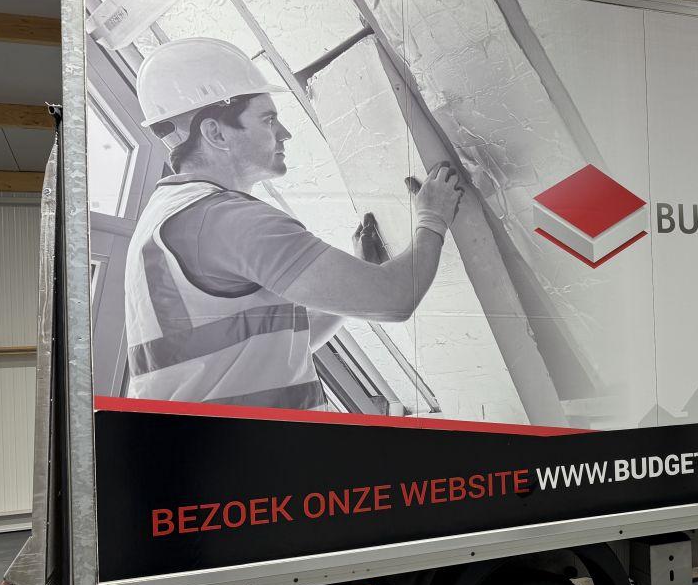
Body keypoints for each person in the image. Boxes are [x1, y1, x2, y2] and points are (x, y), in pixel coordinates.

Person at [124, 37, 463, 411]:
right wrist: (433, 217)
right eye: (268, 119)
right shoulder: (227, 220)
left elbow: (281, 347)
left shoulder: (166, 216)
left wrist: (353, 281)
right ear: (215, 133)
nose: (285, 132)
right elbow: (394, 300)